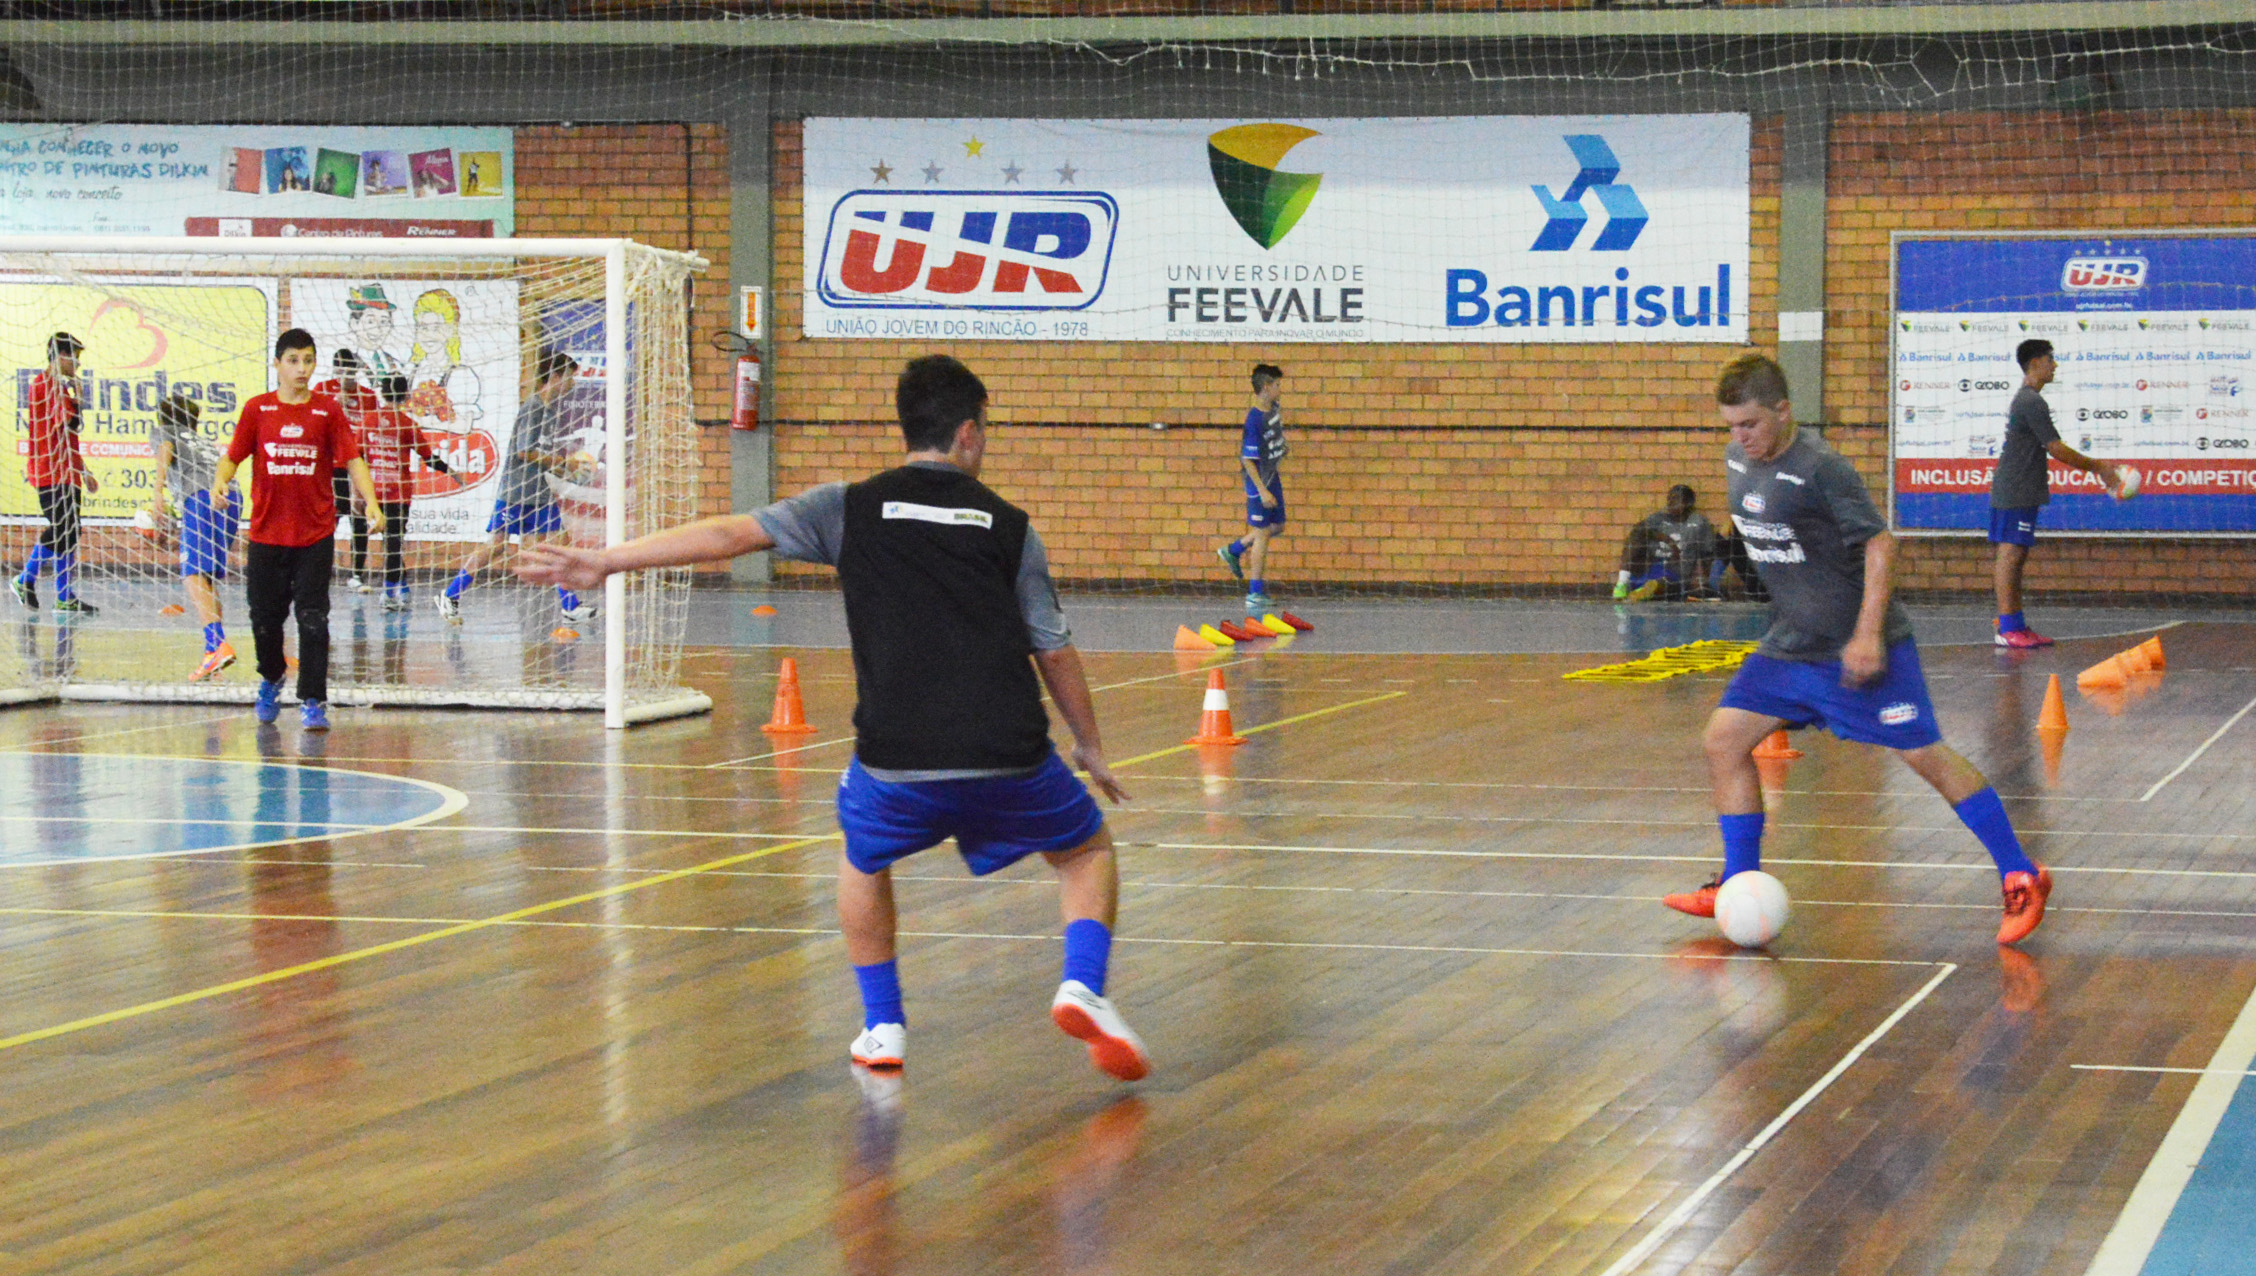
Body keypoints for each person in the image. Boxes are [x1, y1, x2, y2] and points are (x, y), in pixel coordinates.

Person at [515, 354, 1150, 1081]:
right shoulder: (1010, 527)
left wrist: (608, 562)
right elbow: (1054, 650)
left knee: (863, 856)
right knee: (1085, 851)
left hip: (895, 759)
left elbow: (728, 535)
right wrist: (1090, 746)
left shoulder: (846, 507)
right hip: (1010, 752)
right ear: (969, 435)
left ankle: (883, 1028)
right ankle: (1082, 985)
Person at [1665, 354, 2052, 945]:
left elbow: (1880, 544)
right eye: (1731, 427)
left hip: (1860, 650)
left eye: (1751, 425)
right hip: (1790, 647)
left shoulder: (1821, 468)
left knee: (1926, 757)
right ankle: (1738, 882)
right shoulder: (1737, 460)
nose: (1741, 438)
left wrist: (1867, 632)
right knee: (1723, 739)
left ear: (1784, 411)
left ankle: (2021, 874)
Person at [211, 328, 385, 733]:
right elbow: (232, 457)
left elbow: (353, 459)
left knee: (313, 619)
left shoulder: (328, 411)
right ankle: (271, 677)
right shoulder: (258, 410)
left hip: (315, 536)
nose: (301, 369)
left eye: (308, 360)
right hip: (266, 536)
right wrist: (221, 481)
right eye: (293, 360)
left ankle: (313, 700)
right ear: (277, 364)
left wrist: (372, 502)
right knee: (265, 619)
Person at [436, 349, 593, 625]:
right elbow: (524, 451)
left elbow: (540, 457)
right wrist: (564, 462)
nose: (573, 384)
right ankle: (450, 595)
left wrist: (568, 472)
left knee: (559, 544)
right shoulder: (533, 408)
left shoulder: (549, 411)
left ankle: (570, 606)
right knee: (495, 547)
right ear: (555, 377)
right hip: (517, 492)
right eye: (570, 377)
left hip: (539, 492)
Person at [1988, 338, 2123, 649]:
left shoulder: (2030, 399)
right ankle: (2007, 627)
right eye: (2051, 359)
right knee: (2010, 555)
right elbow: (2056, 448)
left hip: (2022, 488)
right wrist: (2098, 467)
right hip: (2016, 489)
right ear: (2035, 363)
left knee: (2016, 555)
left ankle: (2014, 624)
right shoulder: (2031, 402)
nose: (2055, 365)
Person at [148, 392, 242, 681]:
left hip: (202, 497)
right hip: (232, 497)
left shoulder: (163, 431)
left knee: (191, 574)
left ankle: (217, 644)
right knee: (207, 576)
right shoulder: (201, 441)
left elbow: (165, 447)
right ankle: (212, 652)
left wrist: (157, 492)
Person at [13, 332, 99, 615]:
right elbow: (71, 422)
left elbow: (68, 437)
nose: (77, 363)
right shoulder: (45, 386)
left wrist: (84, 471)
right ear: (61, 356)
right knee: (63, 529)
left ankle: (65, 596)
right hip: (50, 472)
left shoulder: (59, 388)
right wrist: (80, 395)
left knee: (71, 533)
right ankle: (25, 578)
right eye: (74, 357)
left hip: (67, 471)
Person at [359, 374, 454, 612]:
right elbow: (428, 457)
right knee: (393, 544)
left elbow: (355, 456)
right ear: (405, 395)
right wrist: (452, 471)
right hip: (398, 495)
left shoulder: (368, 420)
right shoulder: (407, 424)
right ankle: (394, 592)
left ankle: (395, 591)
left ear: (381, 392)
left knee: (388, 545)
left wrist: (354, 489)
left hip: (373, 494)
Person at [1214, 363, 1287, 612]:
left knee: (1278, 525)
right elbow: (1247, 459)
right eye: (1277, 385)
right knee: (1264, 532)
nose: (1280, 389)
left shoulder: (1273, 409)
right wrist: (1262, 491)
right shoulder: (1254, 419)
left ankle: (1234, 550)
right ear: (1266, 388)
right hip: (1258, 482)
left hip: (1271, 475)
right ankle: (1255, 592)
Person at [315, 349, 378, 593]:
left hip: (356, 467)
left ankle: (356, 574)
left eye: (349, 372)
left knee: (358, 520)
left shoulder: (368, 396)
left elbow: (372, 434)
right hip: (328, 467)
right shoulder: (322, 390)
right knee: (326, 520)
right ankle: (320, 570)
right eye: (340, 371)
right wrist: (334, 404)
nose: (345, 377)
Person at [1613, 484, 1721, 602]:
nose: (1670, 502)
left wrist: (1702, 583)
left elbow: (1707, 555)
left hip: (1676, 573)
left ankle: (1647, 591)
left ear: (1688, 503)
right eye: (1669, 498)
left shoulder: (1699, 523)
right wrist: (1667, 540)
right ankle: (1622, 583)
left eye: (1676, 498)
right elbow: (1638, 532)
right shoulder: (1658, 518)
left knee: (1663, 583)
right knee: (1636, 538)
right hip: (1651, 567)